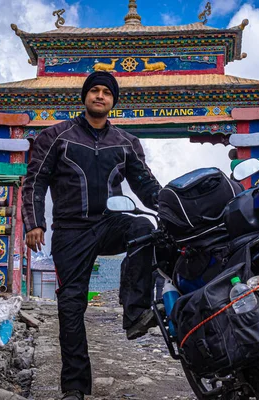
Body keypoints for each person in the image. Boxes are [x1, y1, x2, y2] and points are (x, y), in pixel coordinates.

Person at [22, 71, 162, 400]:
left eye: (106, 93)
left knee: (144, 228)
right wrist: (34, 223)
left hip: (110, 223)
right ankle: (74, 388)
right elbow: (35, 181)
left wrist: (175, 212)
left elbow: (147, 186)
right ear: (85, 97)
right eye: (94, 91)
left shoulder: (126, 142)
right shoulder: (55, 136)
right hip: (71, 230)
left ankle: (134, 310)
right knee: (71, 305)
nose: (100, 96)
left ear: (113, 101)